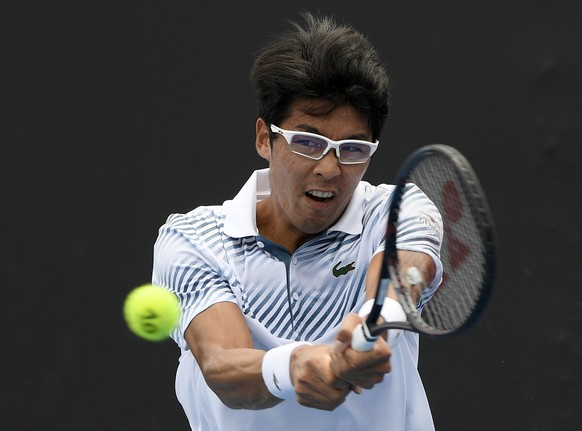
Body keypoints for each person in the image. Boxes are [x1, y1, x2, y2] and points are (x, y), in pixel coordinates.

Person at [152, 12, 443, 431]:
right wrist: (290, 368)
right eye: (307, 142)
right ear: (263, 138)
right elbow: (221, 365)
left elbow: (408, 269)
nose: (329, 168)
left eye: (353, 148)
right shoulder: (195, 241)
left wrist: (378, 322)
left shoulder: (397, 211)